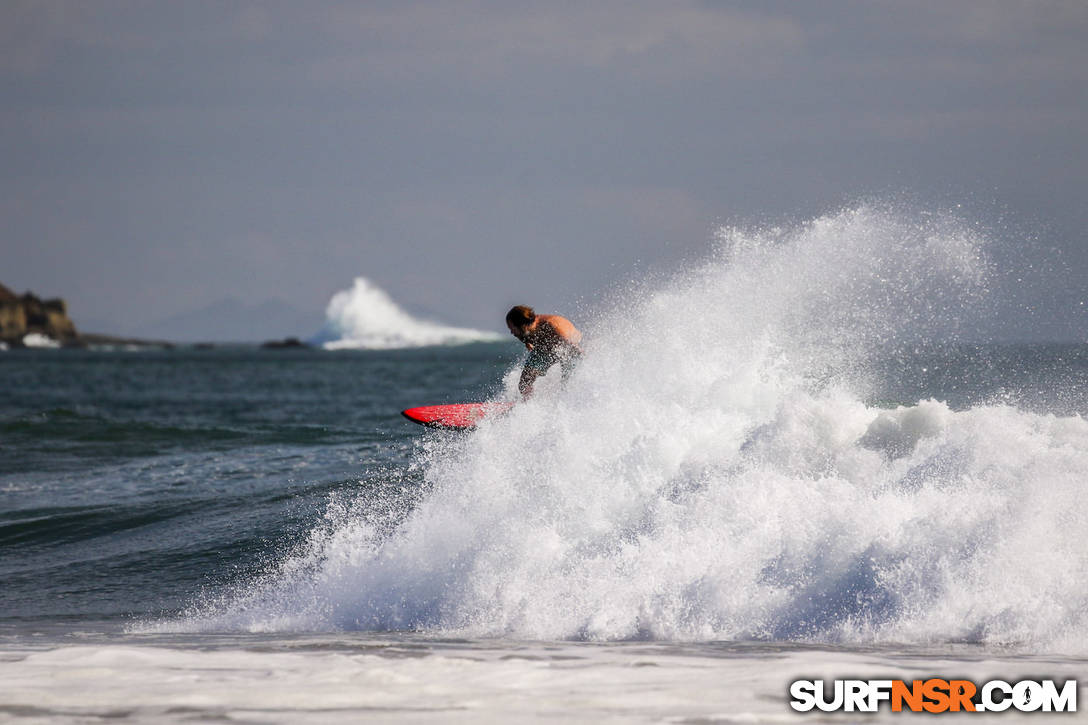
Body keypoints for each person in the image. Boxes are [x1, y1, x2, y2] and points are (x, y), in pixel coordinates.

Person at [506, 305, 582, 396]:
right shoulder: (524, 332)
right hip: (544, 349)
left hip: (568, 348)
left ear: (523, 325)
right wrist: (527, 343)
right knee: (524, 382)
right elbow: (524, 337)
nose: (511, 332)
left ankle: (568, 400)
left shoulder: (551, 324)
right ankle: (529, 405)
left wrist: (585, 357)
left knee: (567, 384)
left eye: (512, 329)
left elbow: (572, 345)